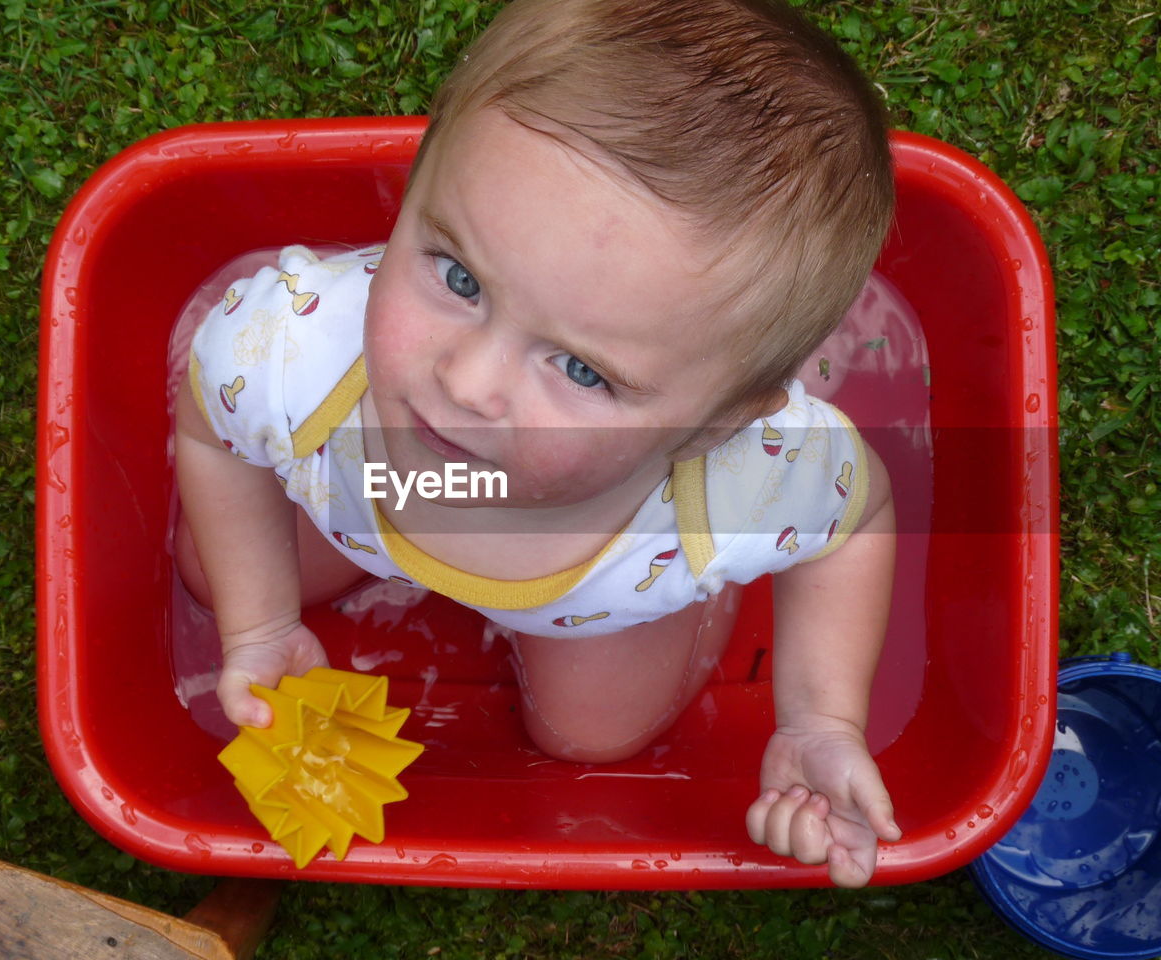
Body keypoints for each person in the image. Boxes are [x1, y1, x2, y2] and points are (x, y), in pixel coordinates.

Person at [174, 0, 901, 887]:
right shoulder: (297, 358)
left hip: (602, 589)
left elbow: (859, 513)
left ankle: (694, 612)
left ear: (716, 423)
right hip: (359, 494)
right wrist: (261, 623)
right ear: (414, 191)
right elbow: (211, 428)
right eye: (458, 275)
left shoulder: (740, 483)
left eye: (583, 371)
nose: (468, 381)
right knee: (212, 576)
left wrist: (820, 719)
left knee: (591, 737)